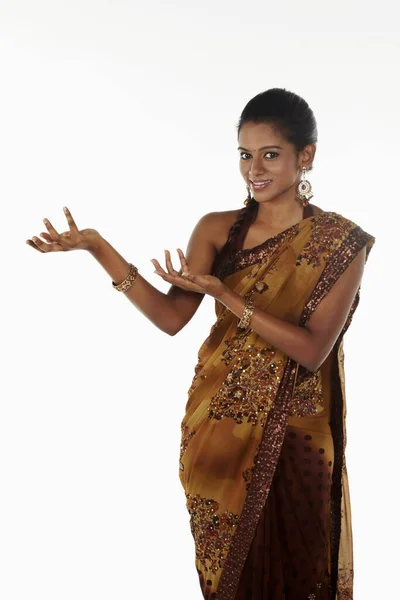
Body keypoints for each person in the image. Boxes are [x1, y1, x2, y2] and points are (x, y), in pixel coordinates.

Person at [26, 87, 375, 600]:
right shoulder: (217, 230)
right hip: (218, 429)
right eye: (244, 154)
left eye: (270, 154)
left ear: (307, 157)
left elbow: (311, 351)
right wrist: (100, 248)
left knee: (303, 571)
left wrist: (225, 295)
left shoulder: (341, 242)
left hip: (299, 430)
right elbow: (171, 318)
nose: (254, 168)